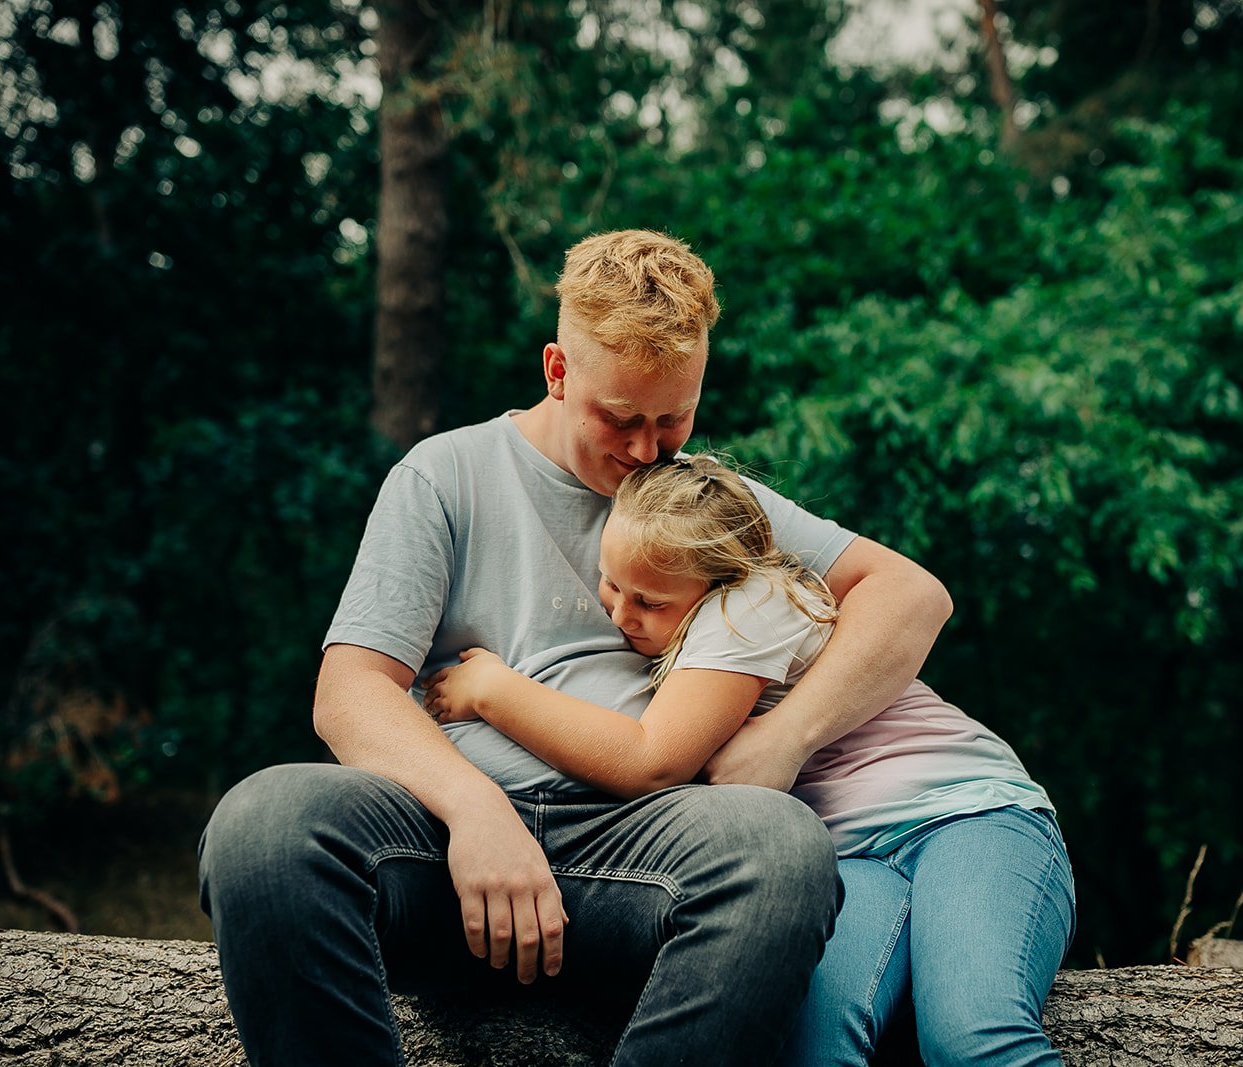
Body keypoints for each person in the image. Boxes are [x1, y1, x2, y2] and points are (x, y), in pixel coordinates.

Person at [195, 229, 954, 1067]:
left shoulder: (699, 498)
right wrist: (473, 809)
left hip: (642, 853)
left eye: (674, 417)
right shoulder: (444, 475)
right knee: (263, 826)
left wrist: (786, 735)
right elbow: (349, 691)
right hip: (443, 856)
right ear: (557, 372)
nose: (645, 451)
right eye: (621, 418)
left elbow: (910, 595)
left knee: (780, 846)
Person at [422, 455, 1076, 1067]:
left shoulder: (752, 604)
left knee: (970, 1038)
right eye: (611, 583)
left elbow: (649, 759)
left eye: (648, 601)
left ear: (720, 578)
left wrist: (496, 691)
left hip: (967, 817)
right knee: (815, 1049)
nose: (621, 612)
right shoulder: (693, 620)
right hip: (852, 861)